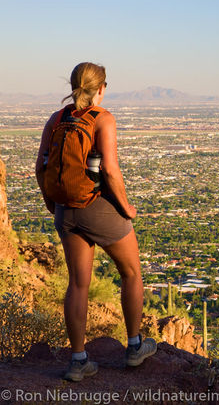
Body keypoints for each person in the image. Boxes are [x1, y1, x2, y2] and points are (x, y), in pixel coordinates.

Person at [35, 62, 156, 381]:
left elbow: (40, 166)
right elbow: (111, 172)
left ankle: (78, 361)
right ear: (101, 88)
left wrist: (53, 204)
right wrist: (127, 208)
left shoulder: (56, 118)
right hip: (96, 206)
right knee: (131, 272)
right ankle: (134, 347)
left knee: (77, 284)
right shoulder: (103, 119)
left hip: (65, 210)